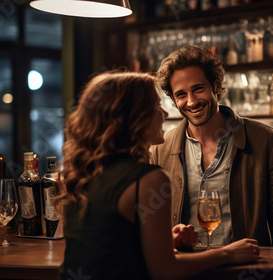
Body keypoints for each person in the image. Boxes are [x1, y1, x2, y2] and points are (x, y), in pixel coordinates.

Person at [57, 71, 260, 280]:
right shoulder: (148, 178)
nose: (164, 113)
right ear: (134, 117)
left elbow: (106, 245)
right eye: (155, 106)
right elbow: (165, 271)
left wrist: (164, 242)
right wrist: (227, 253)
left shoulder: (83, 172)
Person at [151, 45, 273, 247]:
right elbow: (152, 221)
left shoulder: (265, 140)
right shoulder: (160, 149)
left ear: (216, 85)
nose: (191, 102)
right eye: (181, 95)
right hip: (184, 270)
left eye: (198, 89)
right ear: (172, 99)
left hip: (244, 269)